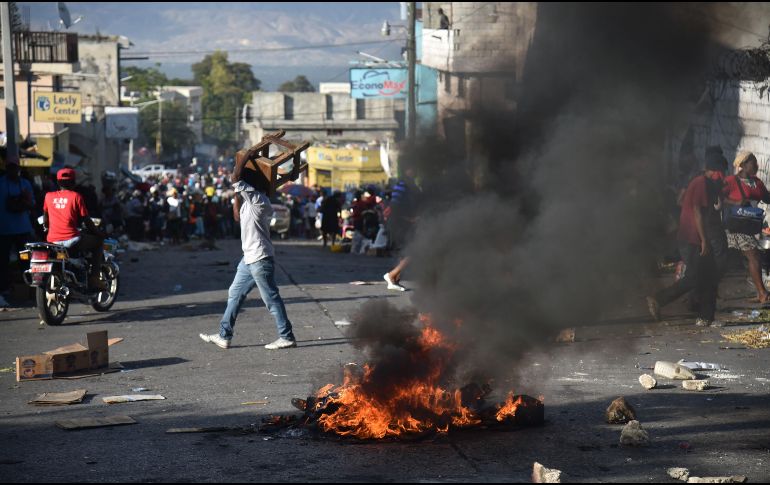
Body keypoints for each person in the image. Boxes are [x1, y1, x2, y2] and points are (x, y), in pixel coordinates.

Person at [200, 149, 296, 351]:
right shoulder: (249, 203)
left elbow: (234, 176)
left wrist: (249, 154)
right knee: (234, 293)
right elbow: (236, 215)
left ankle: (286, 336)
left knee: (271, 298)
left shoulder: (259, 201)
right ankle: (224, 335)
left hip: (260, 258)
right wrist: (237, 194)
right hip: (249, 258)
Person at [646, 148, 728, 327]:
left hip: (697, 237)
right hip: (691, 239)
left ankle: (706, 316)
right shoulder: (700, 182)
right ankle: (660, 299)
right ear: (714, 170)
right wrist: (704, 240)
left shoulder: (708, 184)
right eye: (721, 172)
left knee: (709, 276)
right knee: (696, 276)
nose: (722, 177)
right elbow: (698, 212)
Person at [43, 167, 105, 290]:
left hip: (52, 241)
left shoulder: (48, 196)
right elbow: (86, 220)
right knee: (98, 243)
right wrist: (99, 233)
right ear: (73, 182)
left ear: (57, 182)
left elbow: (46, 220)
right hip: (72, 239)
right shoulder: (76, 196)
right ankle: (94, 279)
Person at [722, 151, 770, 303]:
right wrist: (735, 202)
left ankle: (697, 292)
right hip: (736, 226)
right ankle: (763, 293)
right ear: (742, 165)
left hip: (752, 226)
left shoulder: (757, 182)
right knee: (753, 255)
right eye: (753, 163)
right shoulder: (730, 181)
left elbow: (767, 198)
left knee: (728, 262)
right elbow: (718, 197)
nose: (756, 166)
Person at [0, 159, 35, 306]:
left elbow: (32, 203)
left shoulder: (25, 184)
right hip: (4, 229)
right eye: (10, 168)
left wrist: (24, 201)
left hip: (22, 229)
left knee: (25, 260)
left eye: (15, 168)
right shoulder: (1, 183)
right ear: (7, 168)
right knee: (3, 261)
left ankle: (30, 289)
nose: (13, 171)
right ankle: (5, 289)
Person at [384, 169, 420, 291]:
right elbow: (395, 205)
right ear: (407, 170)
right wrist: (408, 219)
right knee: (413, 251)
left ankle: (395, 280)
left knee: (404, 252)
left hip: (405, 224)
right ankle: (391, 275)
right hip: (400, 224)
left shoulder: (411, 185)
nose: (415, 171)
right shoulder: (402, 185)